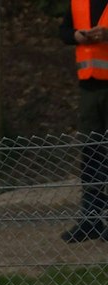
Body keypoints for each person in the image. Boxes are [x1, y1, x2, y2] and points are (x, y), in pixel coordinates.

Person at [64, 0, 108, 242]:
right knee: (91, 152)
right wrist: (77, 36)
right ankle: (89, 218)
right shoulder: (76, 2)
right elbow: (64, 32)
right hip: (89, 87)